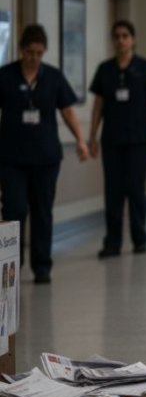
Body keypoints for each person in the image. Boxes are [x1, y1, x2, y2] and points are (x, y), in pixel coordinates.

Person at [0, 25, 89, 283]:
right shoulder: (5, 76)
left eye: (39, 53)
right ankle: (12, 265)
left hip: (46, 156)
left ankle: (42, 266)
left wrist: (81, 141)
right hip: (11, 157)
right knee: (14, 210)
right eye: (29, 52)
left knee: (42, 210)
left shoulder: (53, 77)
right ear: (21, 49)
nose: (34, 58)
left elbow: (68, 111)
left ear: (44, 52)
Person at [88, 21, 146, 258]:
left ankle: (139, 238)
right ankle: (112, 242)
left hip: (139, 140)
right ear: (113, 41)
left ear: (132, 39)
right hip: (112, 139)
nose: (121, 40)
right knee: (113, 191)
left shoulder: (145, 68)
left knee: (134, 188)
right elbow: (98, 106)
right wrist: (92, 137)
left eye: (125, 36)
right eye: (116, 36)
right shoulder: (105, 70)